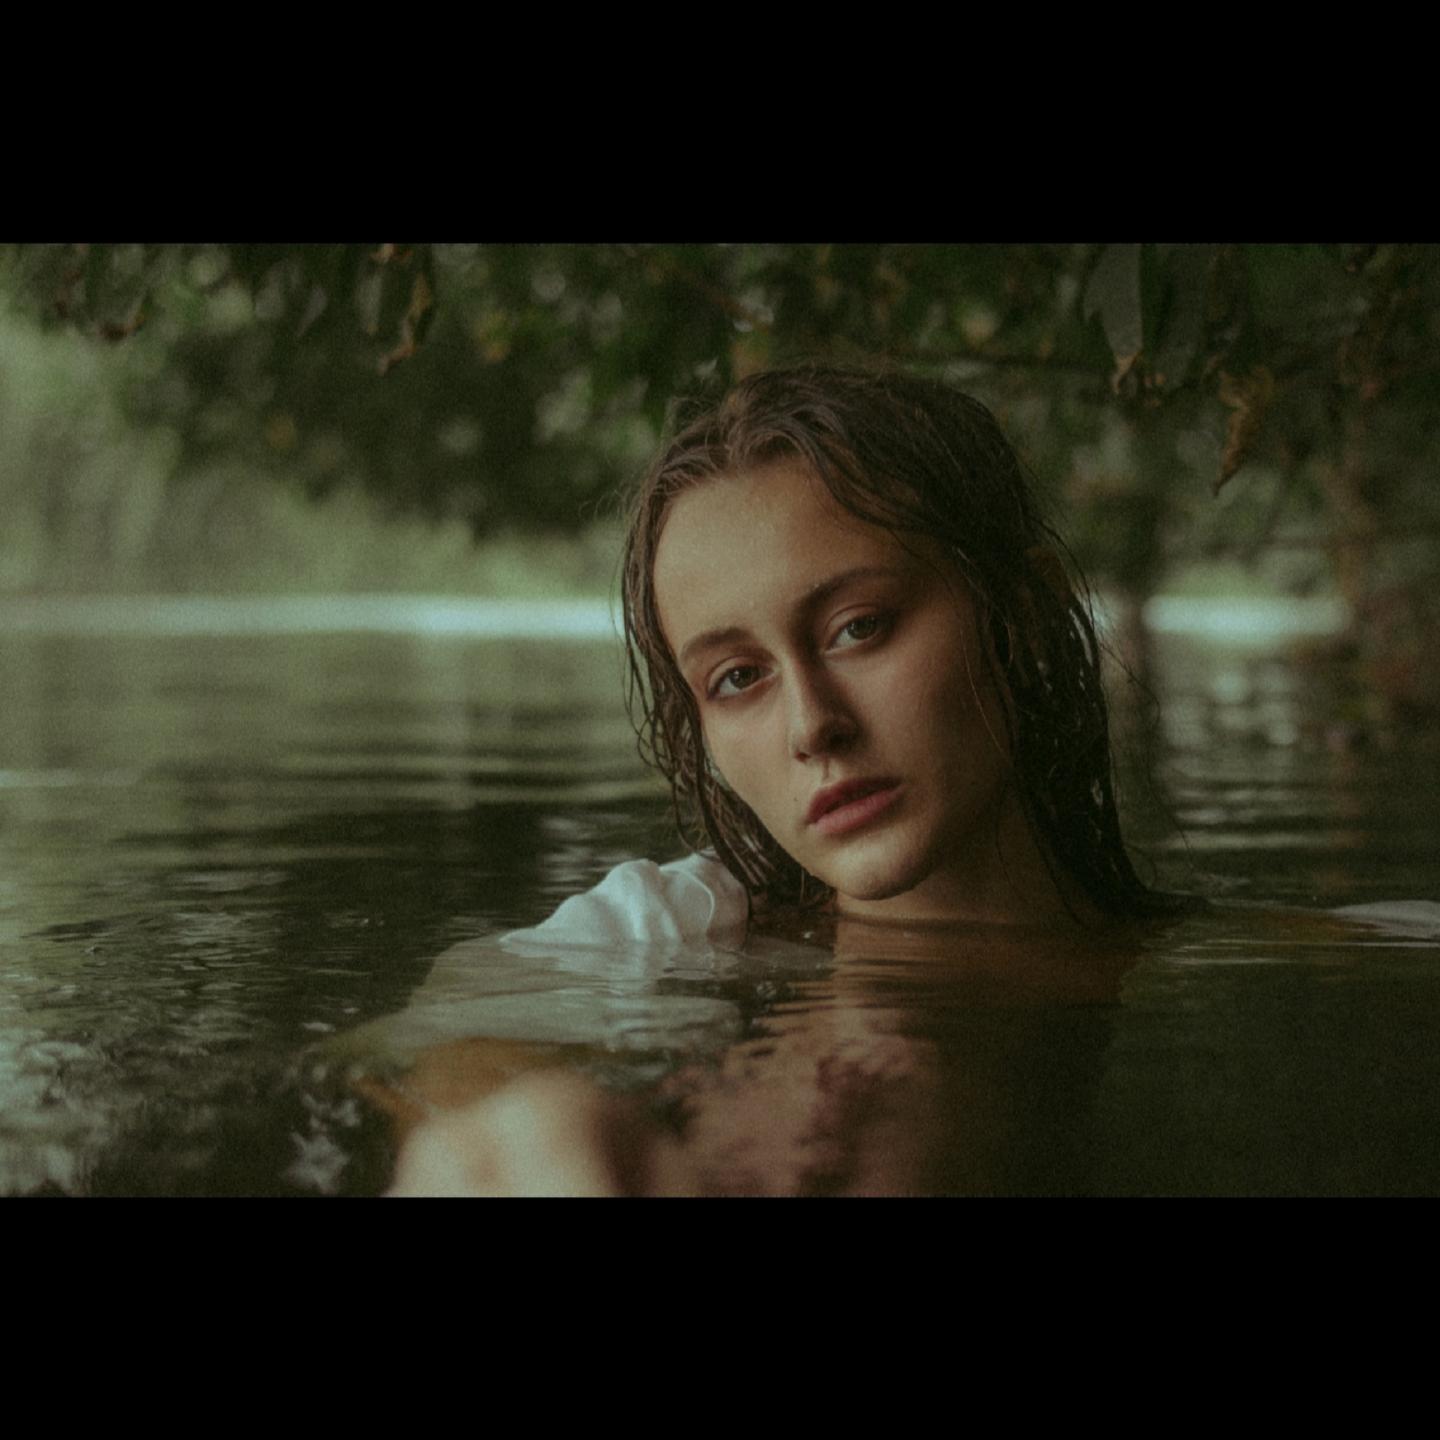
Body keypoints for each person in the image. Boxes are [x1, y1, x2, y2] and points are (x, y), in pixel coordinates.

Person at [382, 363, 1193, 1196]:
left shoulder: (1208, 963)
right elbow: (455, 1035)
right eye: (738, 678)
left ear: (1025, 618)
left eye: (858, 628)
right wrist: (521, 1126)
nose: (811, 726)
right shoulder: (685, 928)